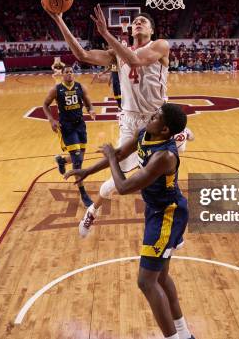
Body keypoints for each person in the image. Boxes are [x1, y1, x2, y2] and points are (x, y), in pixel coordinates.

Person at [65, 103, 195, 339]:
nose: (151, 117)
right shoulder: (145, 133)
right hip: (157, 210)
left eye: (156, 116)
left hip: (168, 214)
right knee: (161, 277)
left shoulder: (165, 156)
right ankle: (184, 335)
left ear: (165, 129)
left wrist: (110, 157)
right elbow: (121, 154)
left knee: (146, 282)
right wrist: (88, 171)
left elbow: (123, 187)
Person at [45, 5, 170, 237]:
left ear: (152, 30)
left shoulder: (159, 45)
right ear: (131, 30)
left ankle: (169, 227)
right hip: (131, 121)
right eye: (135, 22)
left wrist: (105, 33)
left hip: (157, 119)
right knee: (118, 177)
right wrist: (60, 21)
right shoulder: (116, 55)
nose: (138, 23)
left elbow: (134, 60)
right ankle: (92, 210)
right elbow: (82, 55)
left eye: (143, 21)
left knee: (161, 173)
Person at [44, 65, 97, 207]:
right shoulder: (56, 89)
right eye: (66, 72)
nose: (69, 74)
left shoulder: (80, 87)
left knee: (80, 156)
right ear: (62, 75)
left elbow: (87, 101)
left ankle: (62, 160)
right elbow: (45, 104)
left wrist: (91, 109)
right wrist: (51, 119)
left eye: (71, 72)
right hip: (67, 127)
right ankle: (83, 193)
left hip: (80, 125)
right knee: (78, 162)